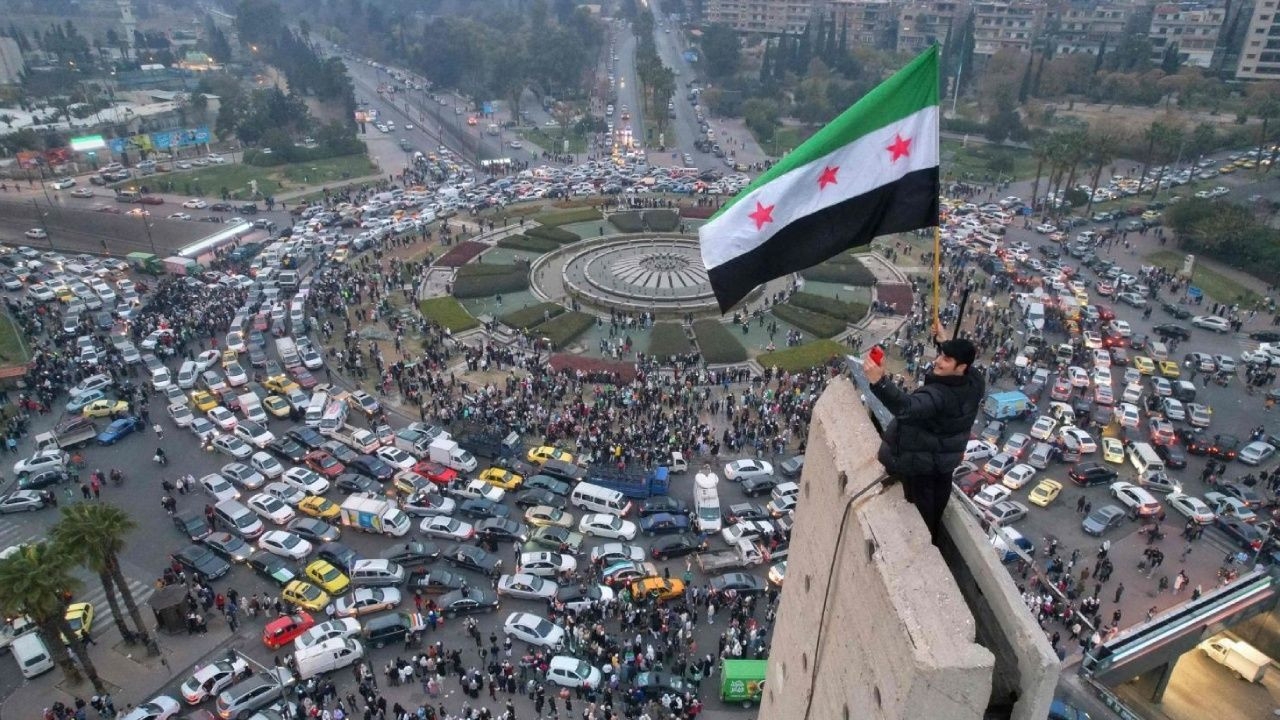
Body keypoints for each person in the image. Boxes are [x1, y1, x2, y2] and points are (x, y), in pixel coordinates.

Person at [863, 320, 984, 545]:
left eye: (946, 359)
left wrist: (879, 382)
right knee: (935, 513)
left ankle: (922, 551)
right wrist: (946, 342)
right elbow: (966, 363)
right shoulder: (975, 383)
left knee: (921, 524)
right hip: (943, 466)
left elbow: (906, 408)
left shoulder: (939, 396)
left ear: (961, 368)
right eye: (941, 355)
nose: (937, 361)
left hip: (920, 468)